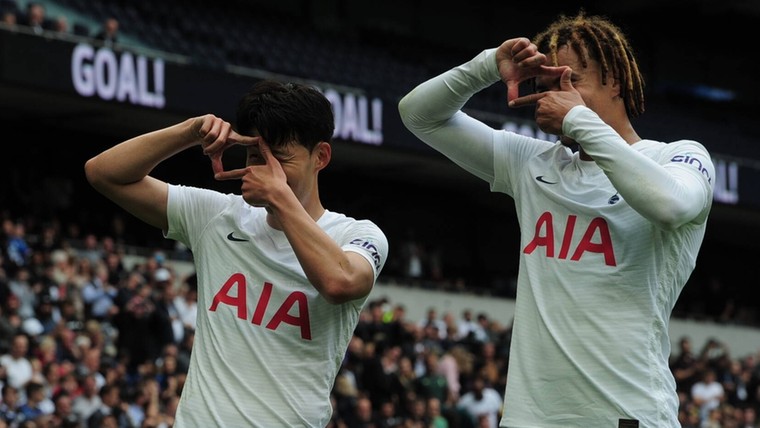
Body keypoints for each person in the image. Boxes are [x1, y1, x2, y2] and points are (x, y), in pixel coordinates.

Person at [398, 10, 714, 428]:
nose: (552, 97)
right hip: (530, 417)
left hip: (625, 412)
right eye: (545, 86)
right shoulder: (530, 163)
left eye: (570, 82)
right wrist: (488, 66)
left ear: (615, 80)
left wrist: (578, 119)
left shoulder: (675, 157)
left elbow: (671, 206)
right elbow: (419, 114)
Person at [84, 79, 388, 427]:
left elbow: (341, 283)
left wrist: (280, 197)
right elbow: (103, 174)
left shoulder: (357, 234)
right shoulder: (216, 215)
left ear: (320, 156)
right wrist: (191, 131)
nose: (263, 171)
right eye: (255, 156)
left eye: (281, 159)